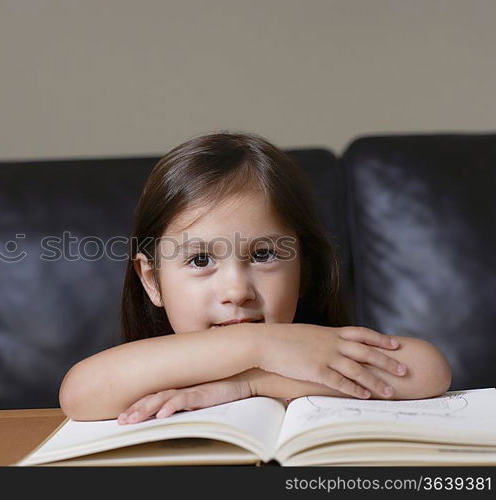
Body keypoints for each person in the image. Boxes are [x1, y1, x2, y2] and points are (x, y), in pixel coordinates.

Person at [59, 131, 452, 424]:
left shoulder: (319, 347)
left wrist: (252, 382)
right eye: (199, 260)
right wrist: (257, 344)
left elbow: (427, 370)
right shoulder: (153, 367)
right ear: (152, 281)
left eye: (263, 255)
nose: (236, 292)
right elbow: (79, 393)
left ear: (305, 271)